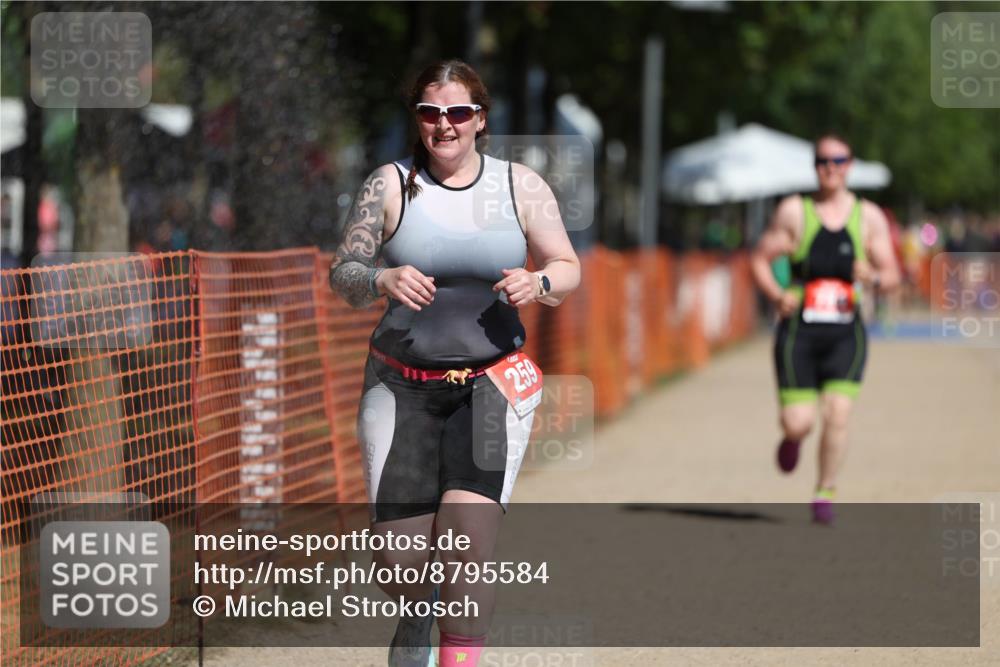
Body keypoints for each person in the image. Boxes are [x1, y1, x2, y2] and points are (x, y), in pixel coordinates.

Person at [329, 60, 581, 667]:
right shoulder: (389, 185)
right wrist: (381, 278)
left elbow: (567, 267)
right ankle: (417, 611)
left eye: (458, 112)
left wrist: (538, 281)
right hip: (400, 386)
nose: (444, 125)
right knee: (398, 563)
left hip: (491, 385)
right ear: (417, 117)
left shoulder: (521, 186)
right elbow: (343, 273)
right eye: (430, 112)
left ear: (480, 119)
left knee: (468, 546)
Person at [751, 133, 900, 524]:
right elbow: (759, 259)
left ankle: (824, 492)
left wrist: (873, 278)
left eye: (838, 161)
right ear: (814, 166)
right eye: (822, 161)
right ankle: (792, 438)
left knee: (837, 413)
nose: (830, 168)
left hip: (845, 334)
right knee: (799, 421)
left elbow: (892, 275)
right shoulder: (794, 211)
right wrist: (776, 294)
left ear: (850, 165)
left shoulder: (868, 217)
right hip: (799, 333)